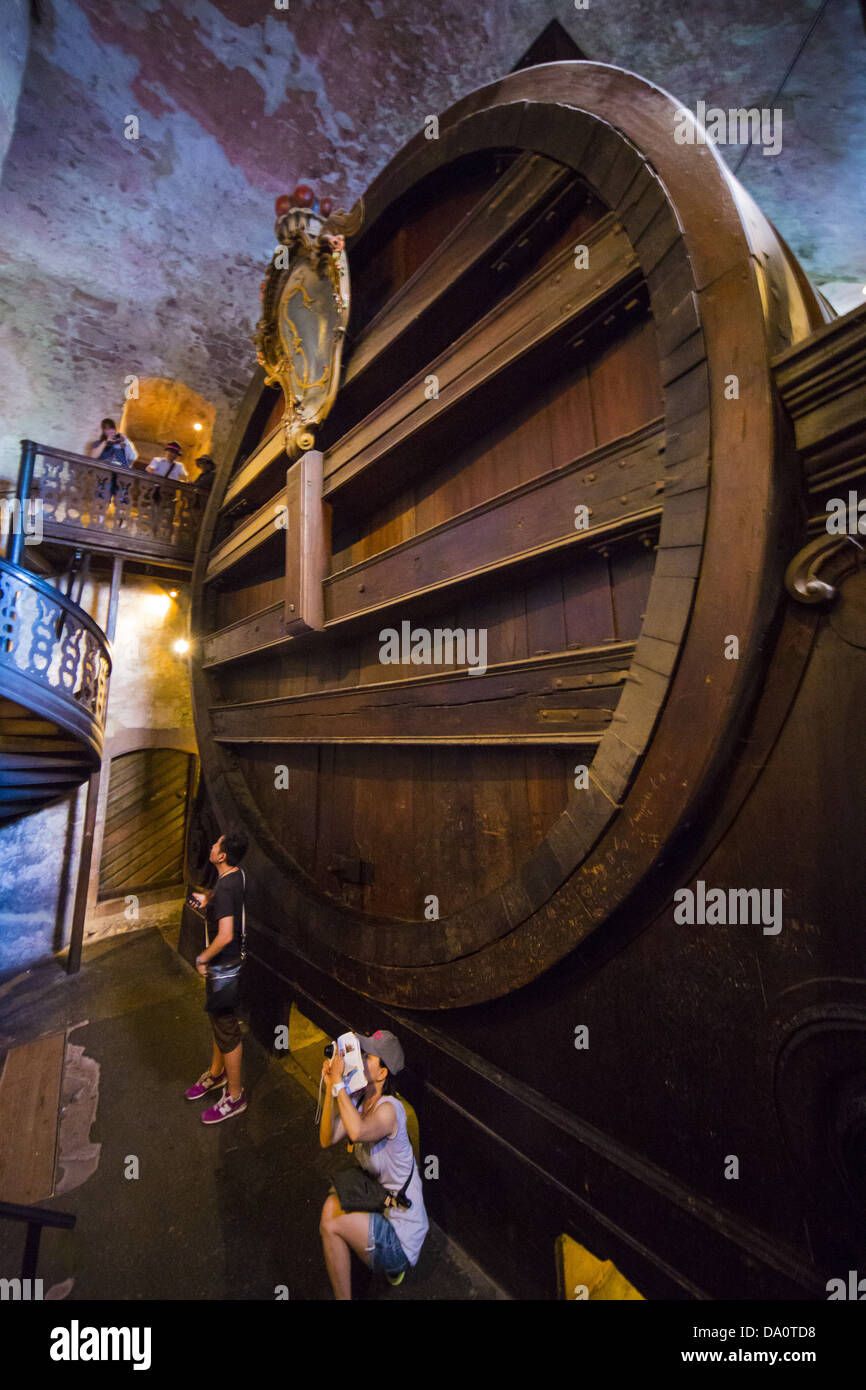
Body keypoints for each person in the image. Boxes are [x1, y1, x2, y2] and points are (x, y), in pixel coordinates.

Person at [319, 1030, 428, 1298]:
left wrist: (338, 1086)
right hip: (381, 1204)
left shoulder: (390, 1110)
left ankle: (390, 1263)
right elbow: (326, 1138)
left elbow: (356, 1132)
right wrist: (329, 1089)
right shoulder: (360, 1101)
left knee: (329, 1223)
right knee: (333, 1203)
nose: (359, 1057)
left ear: (382, 1073)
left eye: (367, 1056)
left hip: (401, 1235)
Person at [186, 831, 249, 1124]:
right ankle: (216, 1073)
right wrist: (208, 901)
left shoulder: (224, 889)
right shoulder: (236, 877)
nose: (210, 846)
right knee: (219, 1020)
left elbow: (224, 935)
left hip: (223, 967)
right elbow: (229, 905)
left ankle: (235, 1097)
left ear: (221, 856)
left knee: (227, 1029)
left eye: (215, 844)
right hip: (233, 963)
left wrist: (203, 957)